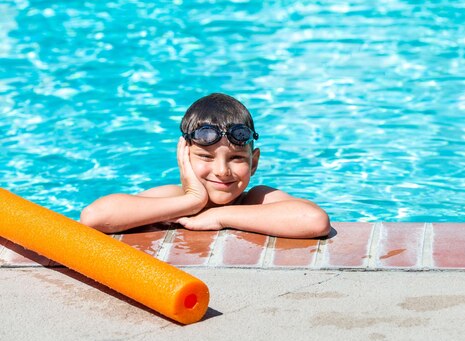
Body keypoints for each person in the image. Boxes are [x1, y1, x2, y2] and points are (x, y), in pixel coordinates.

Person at [80, 93, 331, 238]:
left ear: (254, 162)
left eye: (236, 158)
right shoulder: (173, 198)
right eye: (206, 157)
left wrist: (220, 216)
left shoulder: (255, 199)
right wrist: (192, 202)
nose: (222, 170)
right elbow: (94, 217)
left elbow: (314, 220)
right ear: (184, 157)